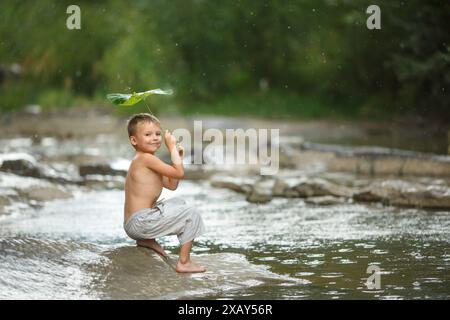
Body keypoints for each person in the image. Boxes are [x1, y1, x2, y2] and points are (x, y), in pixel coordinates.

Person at [123, 113, 206, 273]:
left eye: (158, 134)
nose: (155, 138)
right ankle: (184, 262)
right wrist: (172, 148)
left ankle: (146, 240)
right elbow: (179, 173)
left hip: (138, 223)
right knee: (191, 214)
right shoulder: (145, 159)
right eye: (148, 135)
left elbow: (172, 184)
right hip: (140, 222)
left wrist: (178, 157)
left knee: (179, 202)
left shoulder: (150, 161)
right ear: (134, 140)